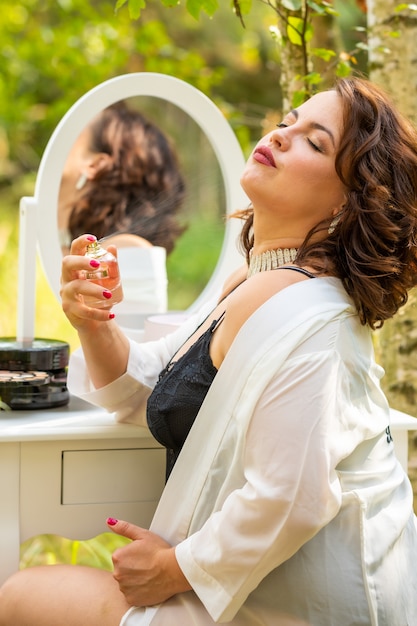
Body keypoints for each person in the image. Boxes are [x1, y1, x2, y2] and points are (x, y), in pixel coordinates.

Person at [1, 76, 417, 626]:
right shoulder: (255, 280)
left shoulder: (318, 319)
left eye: (315, 142)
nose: (282, 134)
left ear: (350, 204)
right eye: (289, 121)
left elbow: (294, 496)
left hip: (293, 606)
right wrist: (93, 320)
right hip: (248, 583)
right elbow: (151, 383)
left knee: (20, 595)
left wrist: (174, 568)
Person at [59, 101, 186, 319]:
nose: (61, 138)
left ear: (95, 164)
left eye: (75, 133)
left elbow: (124, 351)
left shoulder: (127, 250)